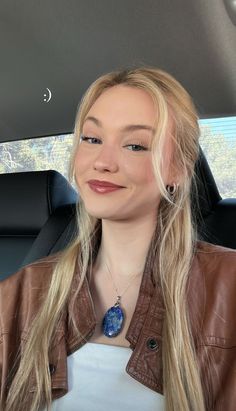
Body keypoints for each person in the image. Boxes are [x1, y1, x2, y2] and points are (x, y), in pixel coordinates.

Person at [0, 67, 236, 411]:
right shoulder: (21, 292)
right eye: (92, 139)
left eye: (135, 145)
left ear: (178, 169)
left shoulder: (228, 289)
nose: (102, 162)